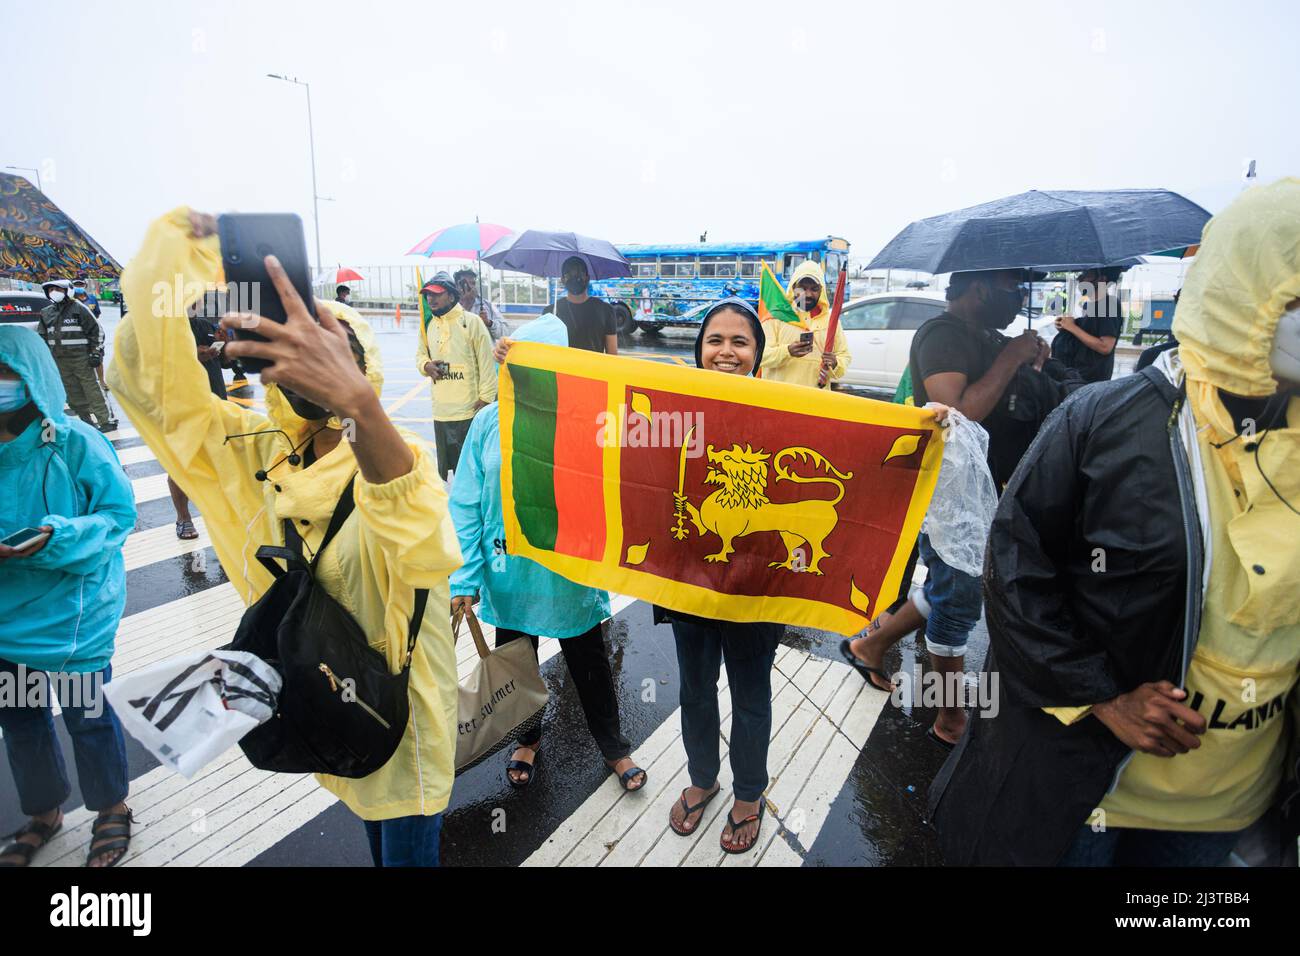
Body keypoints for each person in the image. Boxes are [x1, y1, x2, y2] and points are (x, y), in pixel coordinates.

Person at [928, 179, 1300, 867]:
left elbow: (1099, 340)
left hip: (1228, 806)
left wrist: (1045, 351)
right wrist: (1100, 696)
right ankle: (922, 685)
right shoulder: (1101, 422)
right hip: (1088, 797)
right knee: (942, 606)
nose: (1024, 290)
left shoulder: (1094, 307)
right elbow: (1014, 569)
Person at [109, 208, 463, 868]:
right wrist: (187, 264)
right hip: (330, 703)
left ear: (360, 370)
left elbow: (422, 538)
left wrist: (357, 406)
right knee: (368, 824)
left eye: (334, 354)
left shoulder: (395, 458)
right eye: (295, 354)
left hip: (402, 718)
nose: (313, 371)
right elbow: (147, 382)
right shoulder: (263, 454)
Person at [452, 313, 646, 792]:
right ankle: (527, 739)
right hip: (509, 569)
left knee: (589, 662)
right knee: (516, 661)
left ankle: (614, 745)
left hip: (568, 573)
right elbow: (466, 504)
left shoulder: (586, 417)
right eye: (525, 364)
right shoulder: (488, 422)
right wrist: (465, 579)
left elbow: (623, 474)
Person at [0, 326, 137, 868]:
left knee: (88, 716)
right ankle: (44, 813)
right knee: (21, 718)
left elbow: (118, 516)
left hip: (73, 619)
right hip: (7, 623)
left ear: (32, 377)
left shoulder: (76, 440)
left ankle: (112, 808)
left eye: (4, 373)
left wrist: (55, 537)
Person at [657, 297, 782, 854]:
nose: (726, 351)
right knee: (696, 687)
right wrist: (521, 363)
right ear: (699, 347)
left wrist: (927, 422)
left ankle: (749, 792)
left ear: (757, 353)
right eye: (715, 340)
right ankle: (704, 778)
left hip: (757, 583)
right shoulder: (673, 405)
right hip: (691, 581)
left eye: (740, 341)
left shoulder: (785, 407)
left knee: (751, 690)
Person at [908, 269, 1061, 488]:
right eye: (1012, 287)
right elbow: (957, 415)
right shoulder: (941, 336)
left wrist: (1035, 362)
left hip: (987, 477)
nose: (1020, 296)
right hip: (956, 484)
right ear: (980, 290)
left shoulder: (986, 334)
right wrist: (1012, 356)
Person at [415, 271, 497, 481]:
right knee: (452, 472)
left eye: (436, 294)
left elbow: (486, 360)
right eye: (428, 295)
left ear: (451, 296)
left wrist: (486, 398)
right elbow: (420, 354)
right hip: (441, 411)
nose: (430, 299)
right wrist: (426, 365)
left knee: (472, 470)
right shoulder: (427, 326)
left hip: (469, 411)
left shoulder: (471, 321)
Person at [167, 292, 233, 540]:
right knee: (181, 463)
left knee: (223, 462)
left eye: (198, 300)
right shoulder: (167, 330)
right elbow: (160, 362)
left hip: (215, 403)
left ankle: (222, 515)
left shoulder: (206, 325)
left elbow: (225, 362)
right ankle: (183, 518)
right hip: (182, 406)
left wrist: (225, 347)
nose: (196, 304)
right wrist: (194, 354)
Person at [758, 260, 851, 389]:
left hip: (816, 401)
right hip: (779, 398)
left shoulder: (831, 322)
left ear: (821, 291)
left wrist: (835, 363)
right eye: (802, 288)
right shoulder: (776, 317)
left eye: (814, 289)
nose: (808, 294)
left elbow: (844, 356)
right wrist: (787, 351)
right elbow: (759, 356)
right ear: (793, 288)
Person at [38, 279, 116, 432]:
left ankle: (106, 421)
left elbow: (96, 331)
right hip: (60, 361)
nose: (54, 292)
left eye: (58, 289)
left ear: (67, 291)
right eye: (51, 289)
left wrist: (95, 352)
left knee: (93, 390)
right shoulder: (46, 313)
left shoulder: (79, 309)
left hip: (82, 359)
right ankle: (86, 419)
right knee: (72, 393)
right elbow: (42, 336)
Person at [1050, 266, 1125, 383]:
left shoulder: (1109, 304)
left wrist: (1072, 327)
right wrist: (1066, 328)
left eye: (1087, 275)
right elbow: (1088, 335)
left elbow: (1105, 347)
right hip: (1077, 376)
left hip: (1087, 380)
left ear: (1101, 279)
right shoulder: (1093, 305)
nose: (1081, 278)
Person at [546, 255, 618, 355]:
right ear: (562, 280)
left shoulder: (606, 310)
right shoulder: (550, 312)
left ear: (588, 278)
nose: (575, 278)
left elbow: (612, 356)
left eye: (579, 274)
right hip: (561, 370)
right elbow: (546, 352)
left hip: (593, 371)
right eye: (569, 275)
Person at [454, 268, 507, 341]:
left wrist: (488, 323)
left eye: (473, 283)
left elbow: (504, 332)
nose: (471, 286)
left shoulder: (486, 305)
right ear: (457, 286)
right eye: (465, 283)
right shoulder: (450, 306)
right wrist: (466, 304)